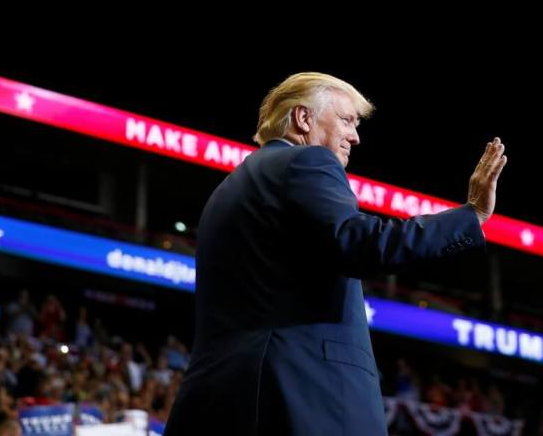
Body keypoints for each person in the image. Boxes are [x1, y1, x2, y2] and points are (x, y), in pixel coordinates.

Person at [164, 72, 507, 435]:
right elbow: (363, 243)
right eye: (346, 120)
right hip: (299, 394)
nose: (355, 136)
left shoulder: (226, 191)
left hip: (220, 398)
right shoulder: (306, 162)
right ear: (303, 118)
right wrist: (472, 216)